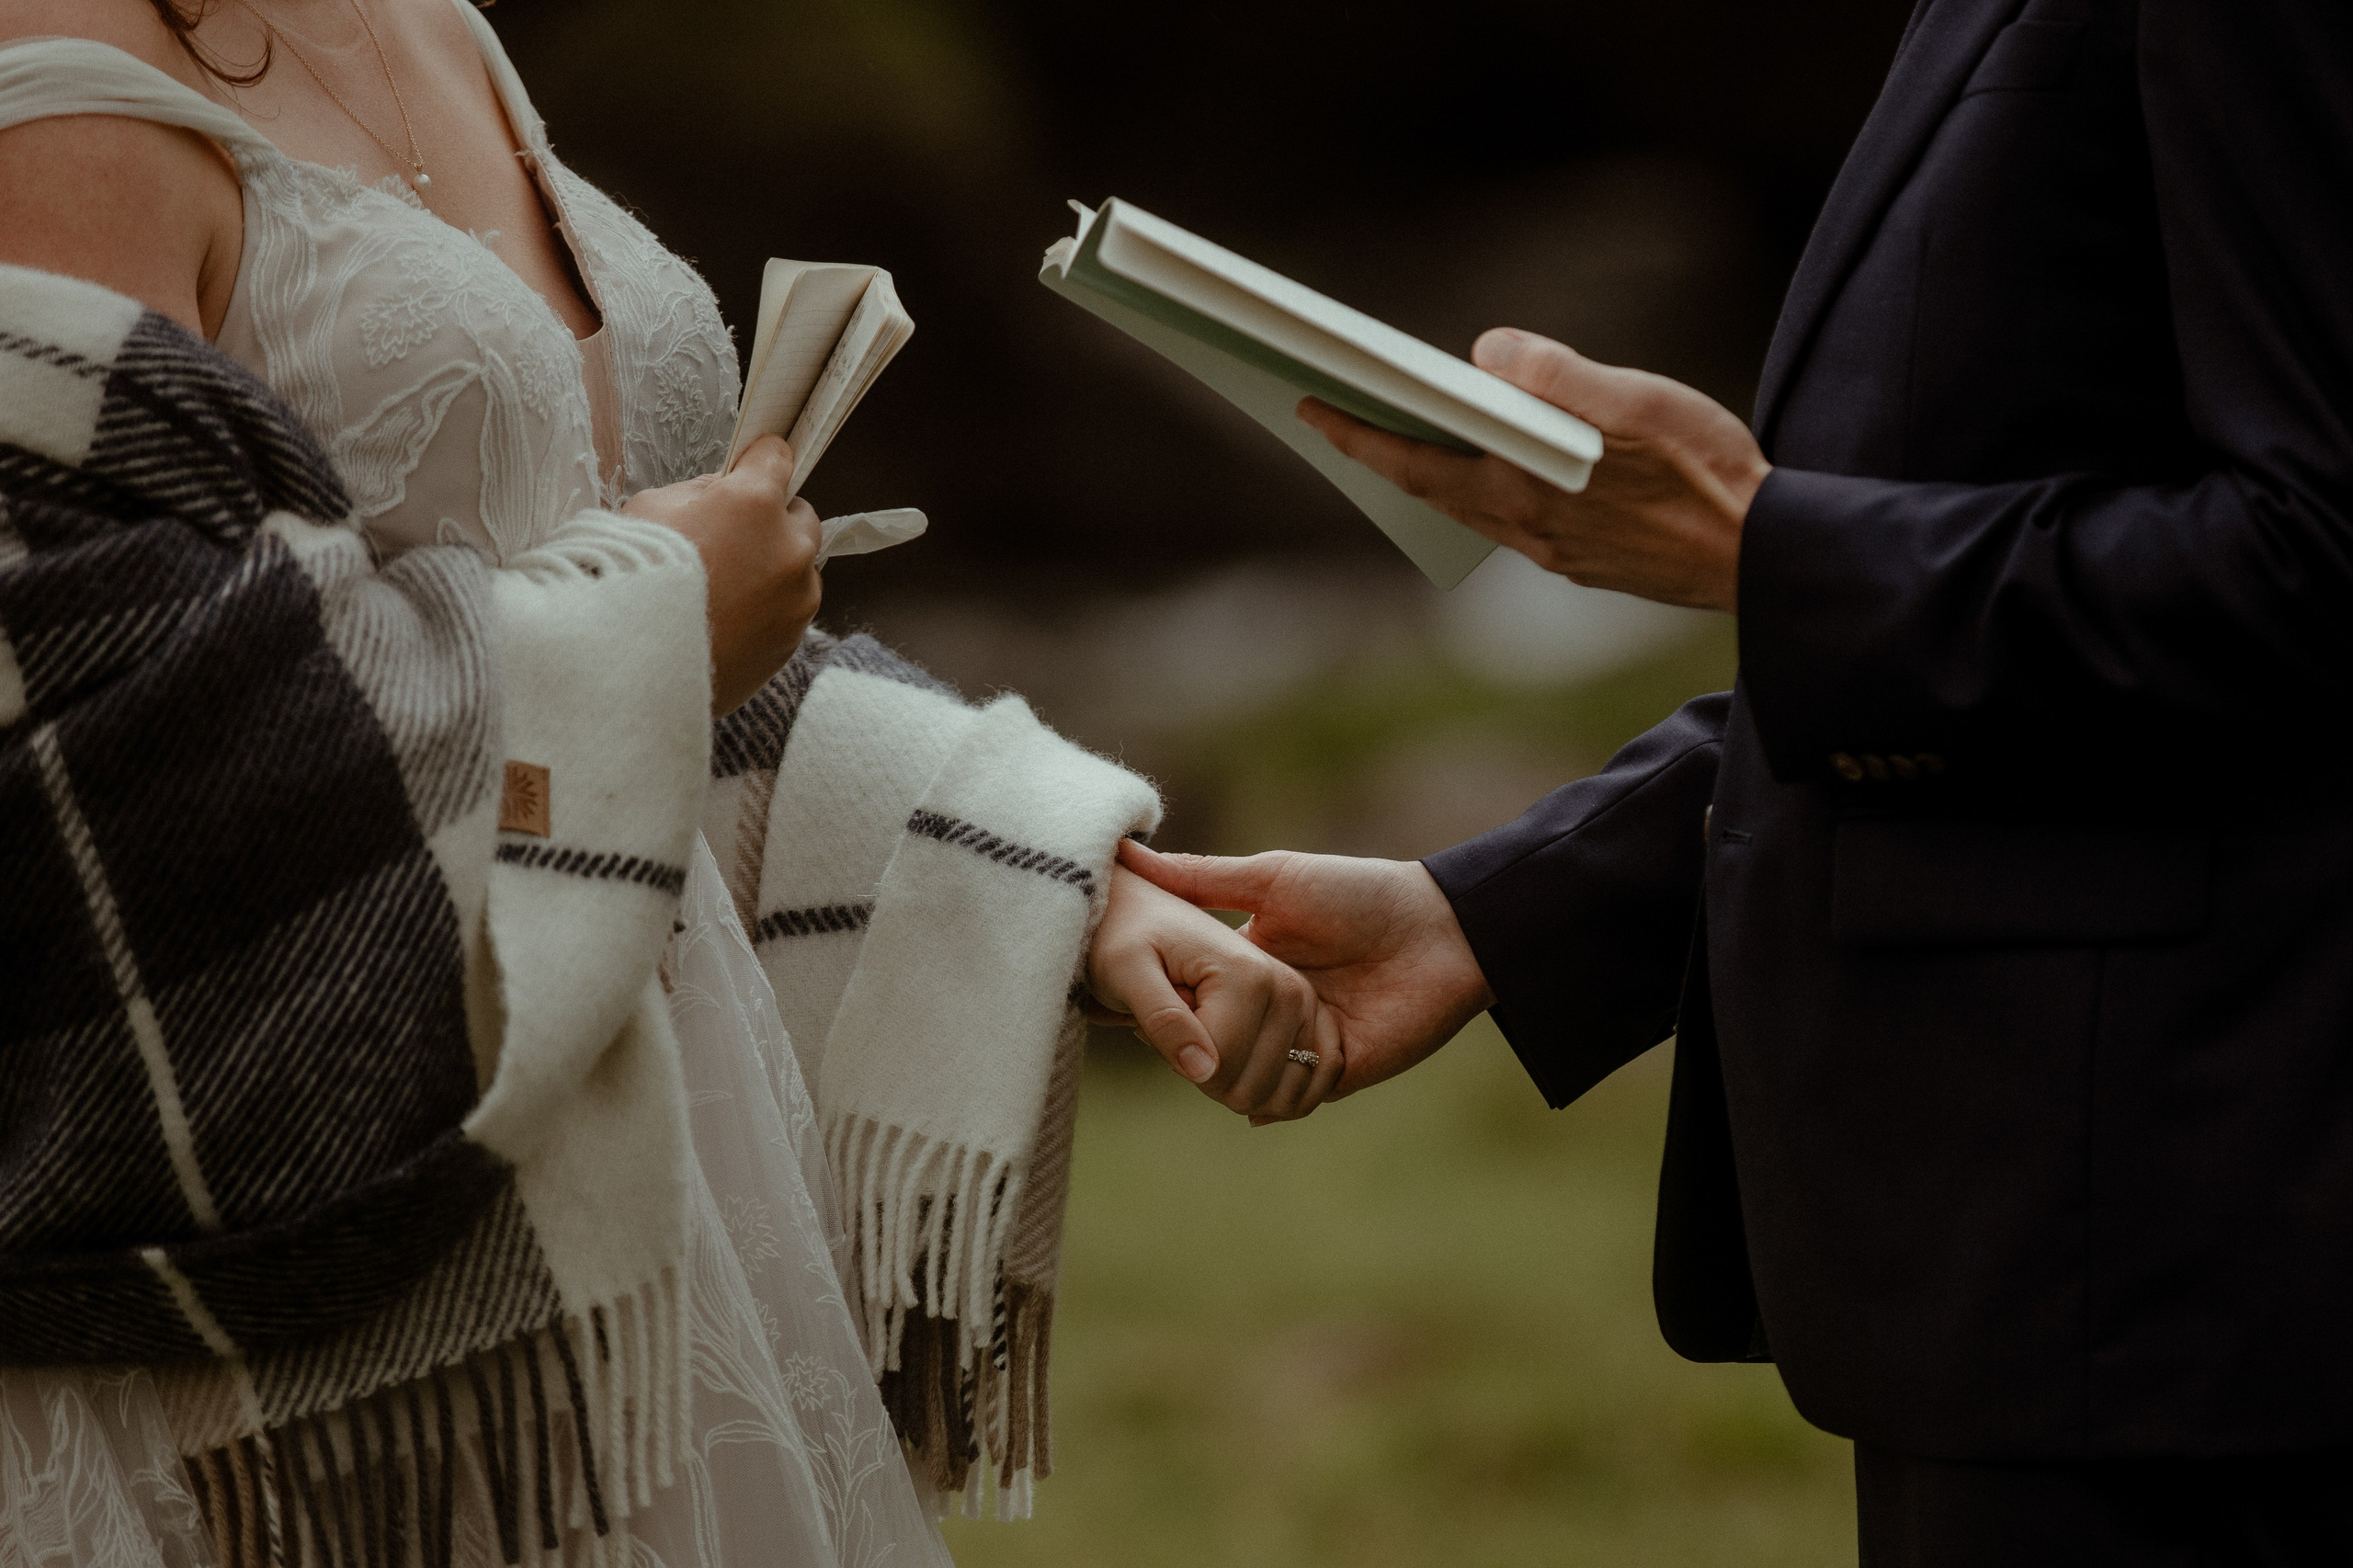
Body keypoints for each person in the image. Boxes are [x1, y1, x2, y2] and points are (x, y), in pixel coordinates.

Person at [0, 1, 1339, 1563]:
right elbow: (83, 761)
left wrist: (1044, 873)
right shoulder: (47, 86)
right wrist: (654, 631)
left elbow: (591, 595)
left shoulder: (422, 18)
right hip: (311, 1332)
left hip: (662, 1200)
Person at [1124, 1, 2353, 1561]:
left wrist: (1763, 548)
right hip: (2054, 1293)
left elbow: (2318, 556)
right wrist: (1493, 910)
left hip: (2200, 1300)